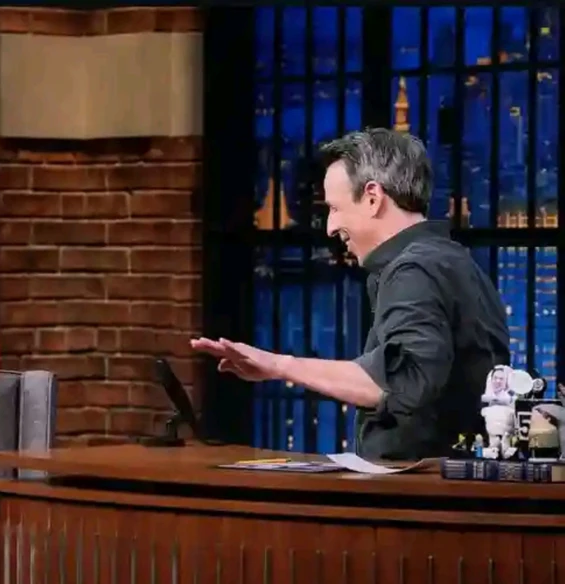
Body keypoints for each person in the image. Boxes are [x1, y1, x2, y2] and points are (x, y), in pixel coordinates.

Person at [192, 128, 510, 460]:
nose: (330, 227)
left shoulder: (414, 270)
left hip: (416, 485)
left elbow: (402, 382)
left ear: (373, 197)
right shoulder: (455, 261)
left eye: (335, 208)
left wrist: (277, 365)